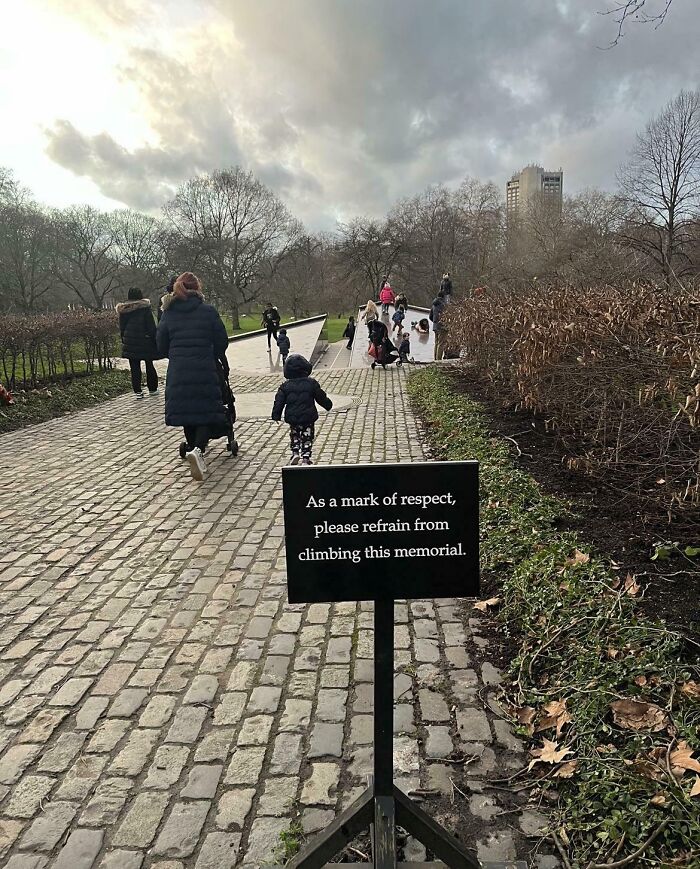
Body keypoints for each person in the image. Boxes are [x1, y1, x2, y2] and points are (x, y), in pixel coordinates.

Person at [156, 272, 229, 481]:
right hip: (204, 368)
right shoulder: (208, 311)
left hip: (179, 371)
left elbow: (160, 344)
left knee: (186, 411)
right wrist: (212, 354)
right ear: (197, 289)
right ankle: (197, 449)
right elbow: (222, 341)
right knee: (205, 410)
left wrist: (176, 355)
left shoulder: (168, 313)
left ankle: (193, 448)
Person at [271, 354, 333, 466]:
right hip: (308, 416)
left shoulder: (285, 386)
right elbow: (320, 397)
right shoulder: (311, 383)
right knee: (307, 436)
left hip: (293, 417)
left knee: (294, 434)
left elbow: (279, 401)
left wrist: (276, 415)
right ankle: (305, 458)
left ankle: (295, 452)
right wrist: (327, 405)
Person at [116, 287, 159, 398]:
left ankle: (138, 391)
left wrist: (124, 339)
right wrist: (155, 339)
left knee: (134, 367)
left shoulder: (124, 310)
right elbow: (151, 326)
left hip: (130, 341)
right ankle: (153, 389)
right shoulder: (145, 308)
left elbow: (122, 327)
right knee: (149, 364)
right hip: (145, 340)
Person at [430, 292, 447, 361]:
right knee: (441, 343)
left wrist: (435, 322)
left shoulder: (434, 304)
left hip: (435, 326)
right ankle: (439, 360)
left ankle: (435, 359)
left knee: (436, 343)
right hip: (442, 326)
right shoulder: (444, 304)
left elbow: (430, 316)